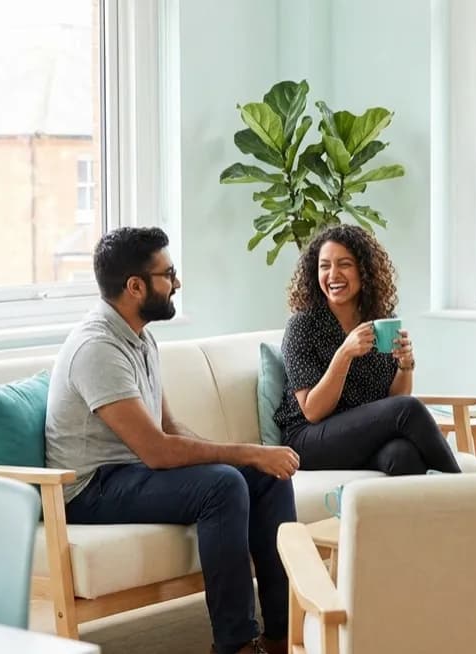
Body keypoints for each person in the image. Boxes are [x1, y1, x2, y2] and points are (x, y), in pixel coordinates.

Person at [45, 227, 299, 654]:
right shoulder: (98, 349)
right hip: (89, 488)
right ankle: (236, 645)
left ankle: (282, 634)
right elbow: (158, 451)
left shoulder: (140, 338)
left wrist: (251, 461)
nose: (177, 282)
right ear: (135, 286)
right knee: (223, 485)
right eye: (168, 274)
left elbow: (169, 428)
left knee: (264, 477)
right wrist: (249, 452)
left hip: (131, 471)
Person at [274, 224, 461, 475]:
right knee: (410, 408)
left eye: (344, 264)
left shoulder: (380, 321)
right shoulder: (302, 326)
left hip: (361, 435)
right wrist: (344, 354)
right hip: (308, 439)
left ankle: (435, 500)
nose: (333, 274)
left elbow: (394, 400)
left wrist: (405, 365)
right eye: (324, 266)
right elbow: (313, 411)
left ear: (364, 271)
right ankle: (466, 493)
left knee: (402, 455)